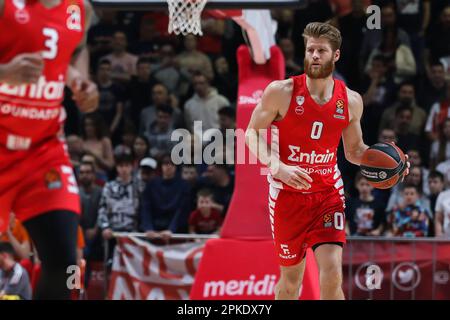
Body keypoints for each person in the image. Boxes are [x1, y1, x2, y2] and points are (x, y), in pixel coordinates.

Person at [245, 22, 409, 300]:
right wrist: (276, 165)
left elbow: (355, 151)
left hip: (327, 195)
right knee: (290, 283)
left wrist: (394, 166)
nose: (315, 56)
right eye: (310, 50)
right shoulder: (281, 91)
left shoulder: (351, 101)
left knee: (332, 272)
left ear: (336, 55)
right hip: (287, 196)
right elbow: (250, 133)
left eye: (321, 50)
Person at [0, 0, 98, 300]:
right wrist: (3, 72)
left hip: (43, 151)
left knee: (65, 263)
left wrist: (81, 81)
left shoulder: (79, 8)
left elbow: (76, 49)